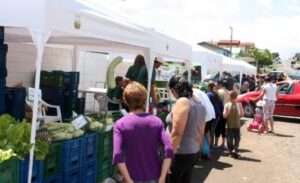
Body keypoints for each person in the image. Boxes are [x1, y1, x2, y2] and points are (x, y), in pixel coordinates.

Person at [113, 81, 173, 183]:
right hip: (155, 175)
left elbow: (117, 154)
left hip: (132, 175)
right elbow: (169, 149)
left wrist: (127, 179)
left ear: (125, 101)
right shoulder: (156, 121)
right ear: (145, 99)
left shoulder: (120, 124)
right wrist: (163, 176)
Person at [168, 74, 206, 183]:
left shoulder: (182, 101)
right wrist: (197, 151)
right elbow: (201, 132)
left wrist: (169, 157)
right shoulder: (199, 104)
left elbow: (177, 132)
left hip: (179, 154)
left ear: (174, 89)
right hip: (191, 152)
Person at [223, 90, 244, 158]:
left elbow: (225, 116)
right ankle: (236, 148)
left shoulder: (227, 104)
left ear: (229, 97)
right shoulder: (239, 104)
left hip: (229, 124)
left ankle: (230, 150)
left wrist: (225, 114)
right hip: (237, 124)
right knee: (237, 137)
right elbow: (242, 114)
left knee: (229, 137)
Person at [206, 82, 224, 149]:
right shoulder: (217, 94)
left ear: (208, 87)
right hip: (218, 115)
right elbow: (222, 106)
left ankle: (210, 146)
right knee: (212, 130)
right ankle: (211, 145)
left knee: (210, 130)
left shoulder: (207, 95)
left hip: (212, 115)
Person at [215, 80, 229, 149]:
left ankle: (216, 143)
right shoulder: (228, 91)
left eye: (216, 83)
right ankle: (223, 143)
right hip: (226, 112)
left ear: (220, 84)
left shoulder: (219, 92)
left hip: (220, 112)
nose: (216, 85)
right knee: (223, 127)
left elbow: (218, 102)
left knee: (217, 127)